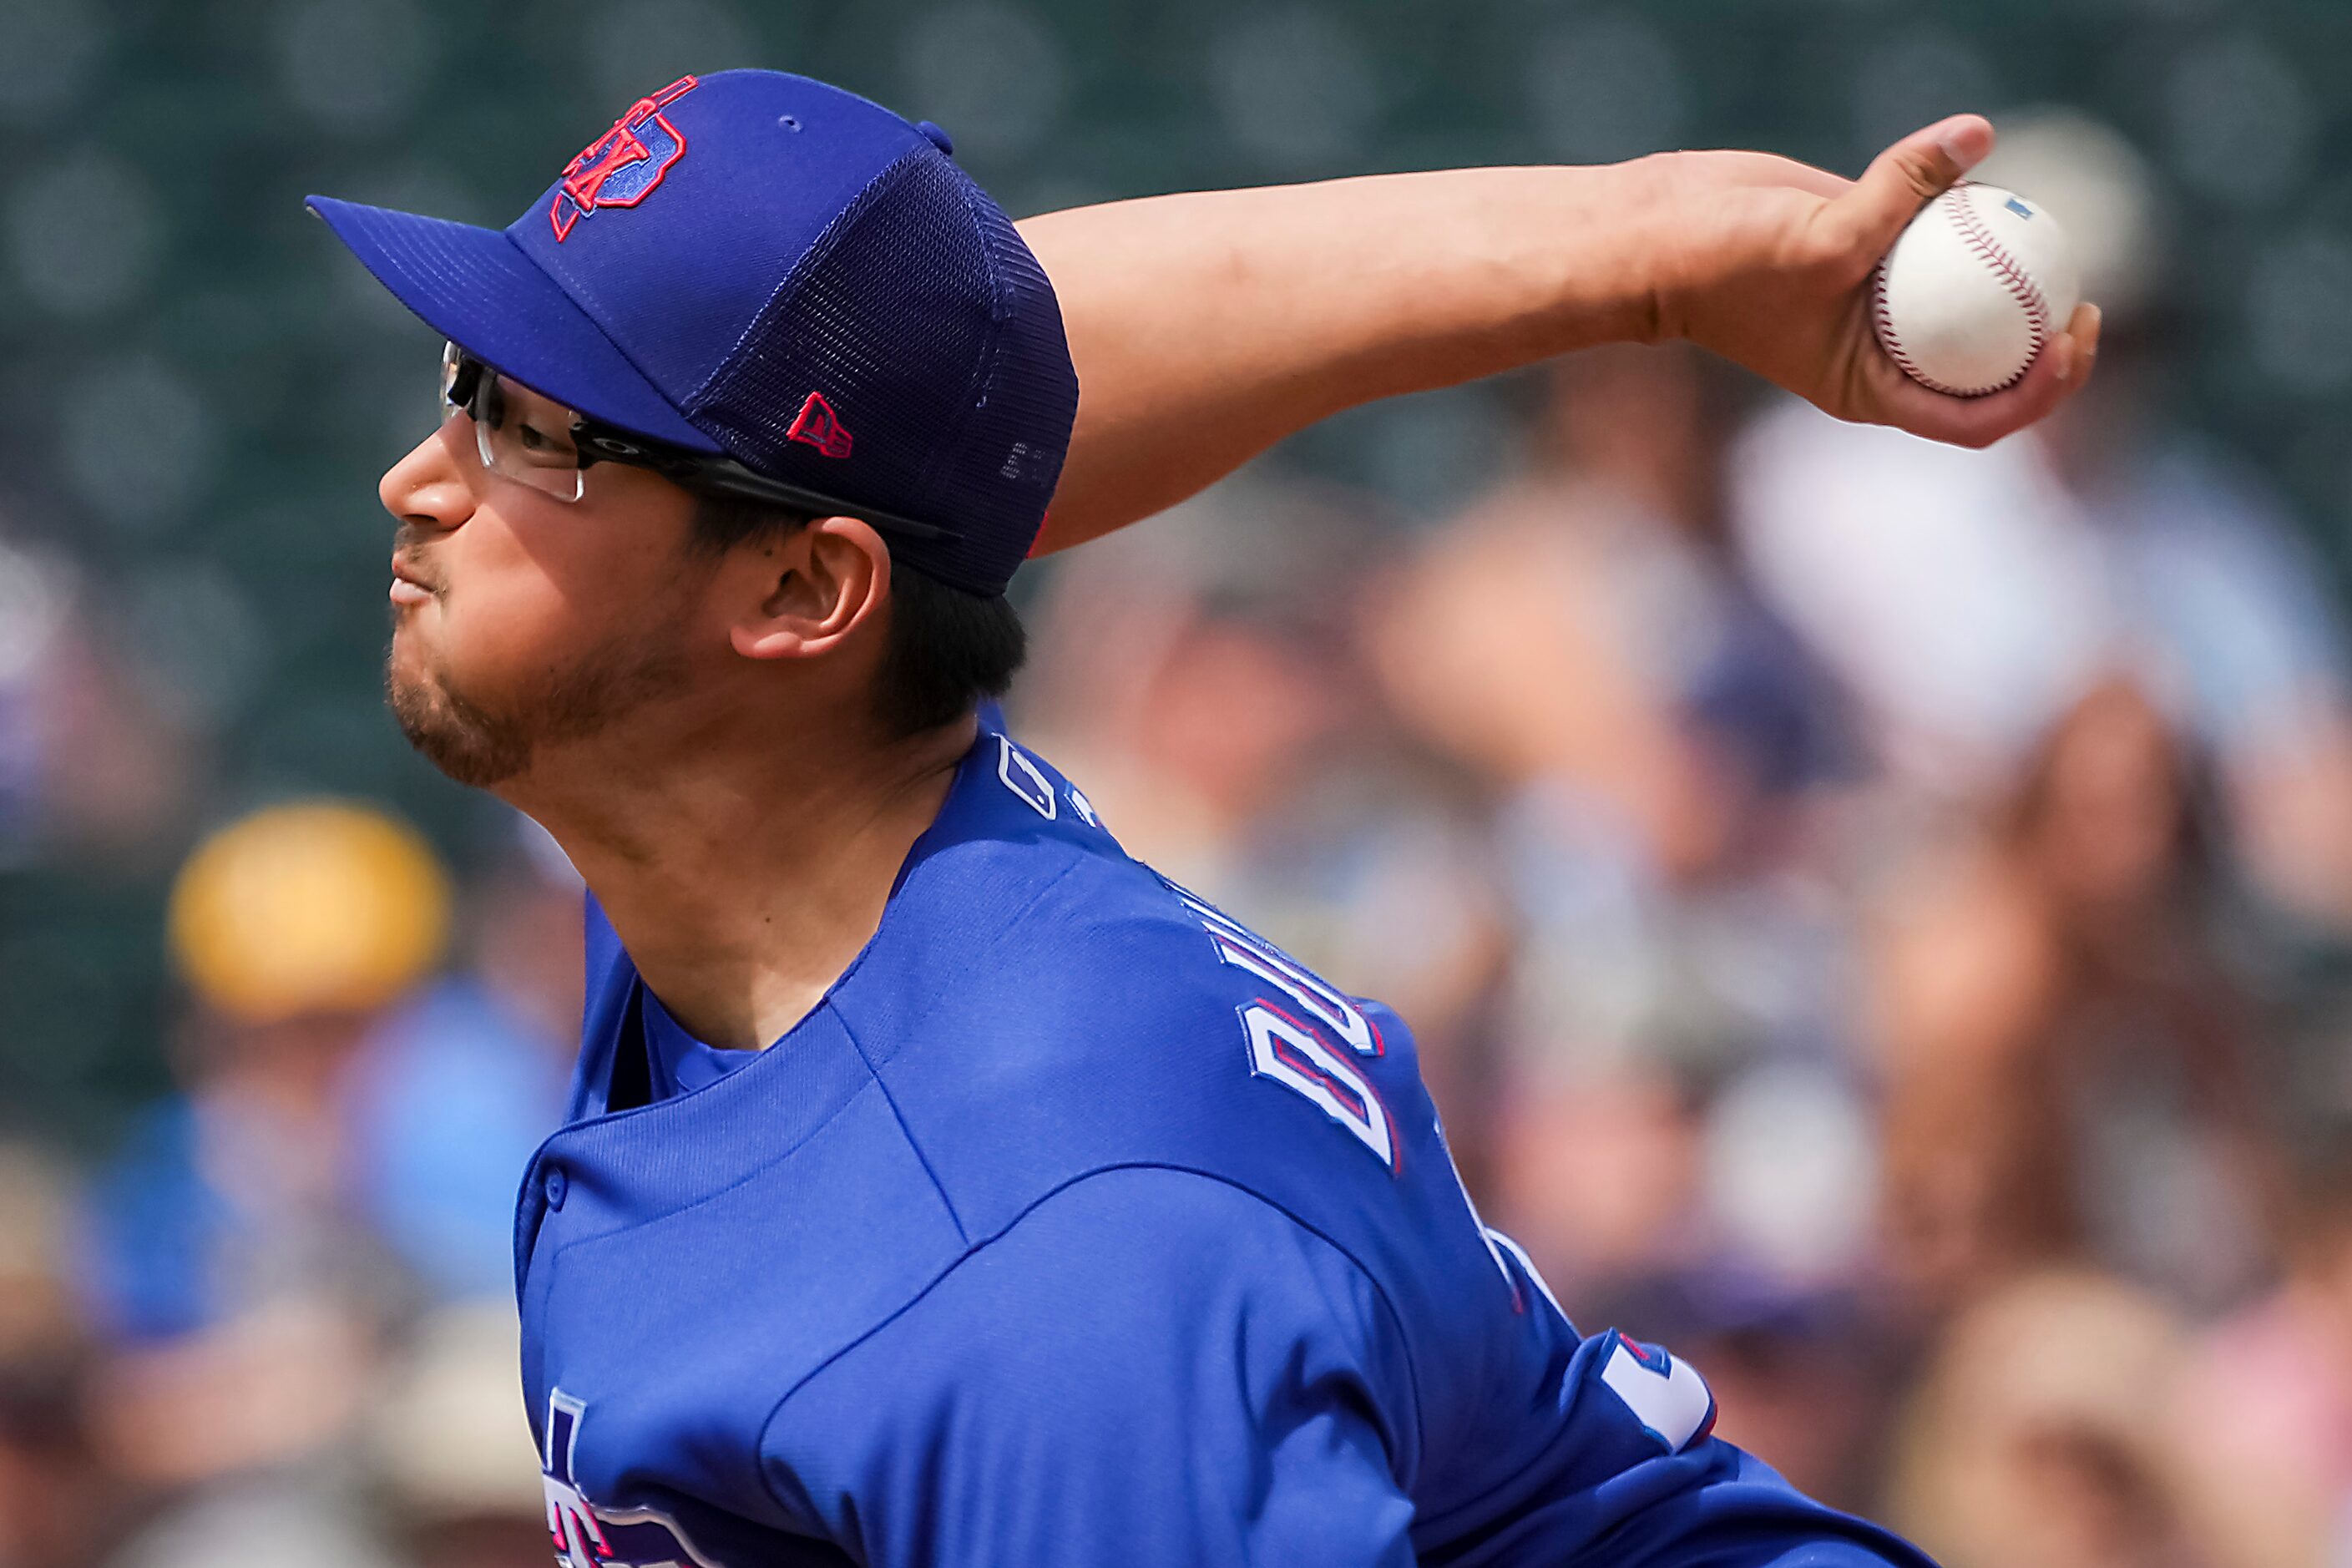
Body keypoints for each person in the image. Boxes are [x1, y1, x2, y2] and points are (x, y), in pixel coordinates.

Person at [312, 68, 2097, 1566]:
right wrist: (1649, 258)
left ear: (793, 592)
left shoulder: (1042, 1261)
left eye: (531, 429)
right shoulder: (782, 817)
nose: (423, 478)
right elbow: (978, 390)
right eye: (462, 387)